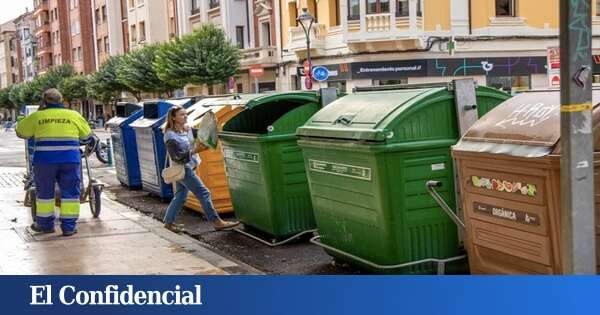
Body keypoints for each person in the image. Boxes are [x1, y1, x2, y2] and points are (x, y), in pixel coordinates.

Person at [16, 89, 93, 236]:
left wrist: (38, 112)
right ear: (61, 100)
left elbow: (21, 132)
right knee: (70, 193)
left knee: (45, 193)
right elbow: (87, 135)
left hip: (45, 161)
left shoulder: (37, 116)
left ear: (44, 101)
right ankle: (69, 227)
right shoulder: (73, 115)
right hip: (69, 160)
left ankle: (45, 225)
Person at [162, 105, 239, 233]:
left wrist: (217, 133)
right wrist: (196, 150)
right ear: (173, 118)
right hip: (183, 168)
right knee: (204, 193)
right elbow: (177, 157)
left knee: (180, 195)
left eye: (186, 114)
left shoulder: (186, 129)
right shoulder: (170, 136)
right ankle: (216, 221)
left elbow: (204, 134)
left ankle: (169, 223)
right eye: (182, 114)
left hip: (190, 166)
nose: (185, 116)